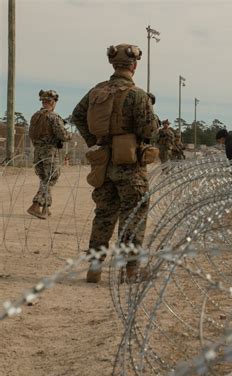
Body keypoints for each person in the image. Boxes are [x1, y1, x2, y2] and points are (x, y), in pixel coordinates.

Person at [72, 43, 159, 283]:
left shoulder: (96, 92)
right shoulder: (137, 95)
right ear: (134, 66)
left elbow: (77, 115)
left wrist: (95, 141)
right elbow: (149, 129)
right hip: (129, 165)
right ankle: (129, 270)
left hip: (103, 163)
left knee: (104, 214)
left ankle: (95, 268)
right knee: (133, 215)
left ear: (113, 65)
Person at [27, 90, 72, 219]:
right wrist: (69, 136)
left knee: (44, 179)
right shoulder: (53, 117)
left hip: (38, 152)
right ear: (53, 102)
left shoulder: (35, 116)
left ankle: (45, 208)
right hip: (49, 152)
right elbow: (61, 135)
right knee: (52, 177)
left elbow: (31, 134)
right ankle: (35, 205)